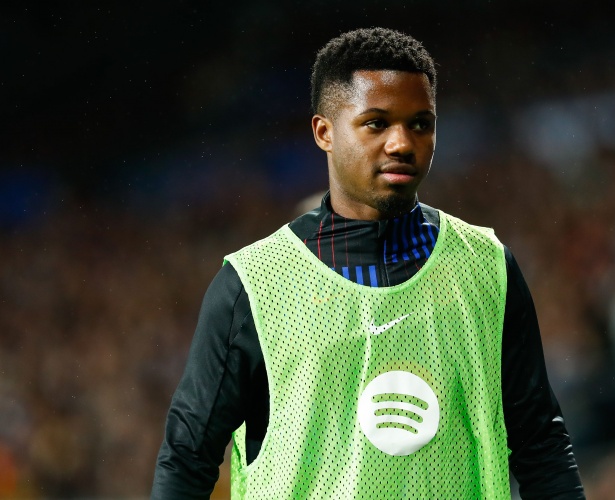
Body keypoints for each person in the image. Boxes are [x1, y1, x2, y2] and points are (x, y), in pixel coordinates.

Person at [152, 27, 585, 499]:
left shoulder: (488, 269)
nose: (402, 143)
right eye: (376, 123)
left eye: (420, 123)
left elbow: (542, 446)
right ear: (324, 132)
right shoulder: (252, 286)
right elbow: (187, 459)